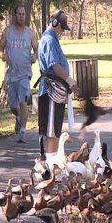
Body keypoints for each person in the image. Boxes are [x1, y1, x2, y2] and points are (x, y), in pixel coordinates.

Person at [37, 9, 79, 160]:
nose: (62, 31)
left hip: (54, 91)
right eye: (62, 28)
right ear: (54, 23)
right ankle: (50, 164)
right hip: (51, 91)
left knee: (54, 129)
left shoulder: (52, 39)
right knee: (51, 131)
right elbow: (54, 65)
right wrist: (70, 81)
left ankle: (52, 161)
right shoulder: (49, 40)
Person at [0, 4, 39, 143]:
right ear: (15, 16)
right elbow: (0, 47)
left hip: (24, 74)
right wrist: (2, 55)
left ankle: (22, 131)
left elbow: (37, 49)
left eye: (23, 14)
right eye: (19, 14)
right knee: (13, 106)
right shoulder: (8, 32)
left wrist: (35, 56)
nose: (21, 16)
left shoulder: (30, 33)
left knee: (23, 102)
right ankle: (17, 117)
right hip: (11, 74)